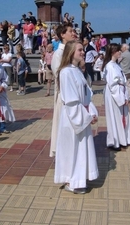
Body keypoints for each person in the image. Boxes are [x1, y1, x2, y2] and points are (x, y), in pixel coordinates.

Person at [54, 40, 99, 194]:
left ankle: (79, 179)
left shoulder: (78, 71)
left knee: (80, 149)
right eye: (80, 50)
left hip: (82, 115)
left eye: (82, 50)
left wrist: (91, 112)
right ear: (71, 52)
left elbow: (87, 96)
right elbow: (72, 100)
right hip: (73, 118)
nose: (83, 52)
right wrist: (85, 116)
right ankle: (71, 181)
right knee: (72, 149)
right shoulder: (65, 72)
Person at [102, 43, 130, 150]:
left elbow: (123, 81)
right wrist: (121, 98)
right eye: (118, 51)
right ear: (113, 52)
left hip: (121, 91)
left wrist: (126, 96)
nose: (120, 52)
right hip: (114, 94)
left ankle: (124, 138)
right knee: (115, 116)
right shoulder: (109, 66)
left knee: (123, 116)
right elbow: (113, 85)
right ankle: (115, 140)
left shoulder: (116, 65)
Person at [49, 23, 75, 157]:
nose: (73, 33)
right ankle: (61, 152)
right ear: (62, 35)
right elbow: (59, 75)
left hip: (73, 94)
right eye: (70, 31)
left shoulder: (72, 52)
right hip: (63, 95)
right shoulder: (58, 54)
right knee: (62, 123)